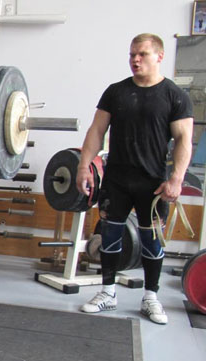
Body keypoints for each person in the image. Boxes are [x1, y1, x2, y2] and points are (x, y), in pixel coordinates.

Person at [75, 33, 193, 325]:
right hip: (116, 180)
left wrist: (176, 179)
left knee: (151, 241)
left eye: (142, 54)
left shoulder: (174, 96)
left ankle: (151, 297)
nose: (135, 60)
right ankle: (108, 293)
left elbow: (184, 140)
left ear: (159, 56)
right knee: (109, 237)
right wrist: (83, 166)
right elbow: (96, 131)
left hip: (153, 183)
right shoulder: (116, 92)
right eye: (132, 55)